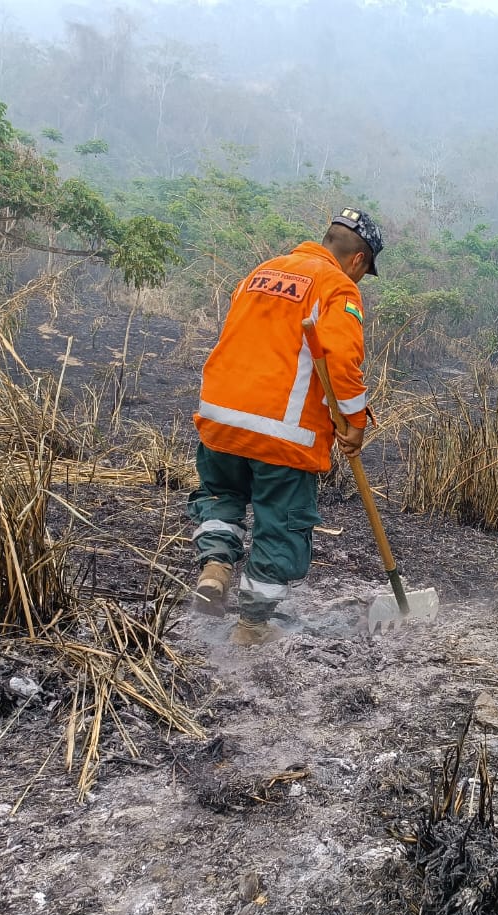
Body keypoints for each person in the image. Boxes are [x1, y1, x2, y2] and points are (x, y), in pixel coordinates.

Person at [187, 207, 383, 647]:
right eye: (366, 272)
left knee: (223, 497)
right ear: (358, 261)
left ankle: (216, 567)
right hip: (281, 433)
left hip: (219, 419)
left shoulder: (262, 271)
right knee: (280, 525)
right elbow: (340, 360)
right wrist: (352, 425)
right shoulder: (339, 288)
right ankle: (252, 626)